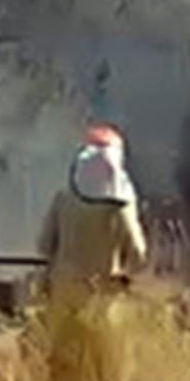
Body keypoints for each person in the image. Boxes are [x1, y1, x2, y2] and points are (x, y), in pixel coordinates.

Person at [38, 123, 148, 289]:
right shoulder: (122, 208)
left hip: (63, 290)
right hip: (103, 295)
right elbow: (138, 256)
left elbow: (44, 246)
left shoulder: (63, 200)